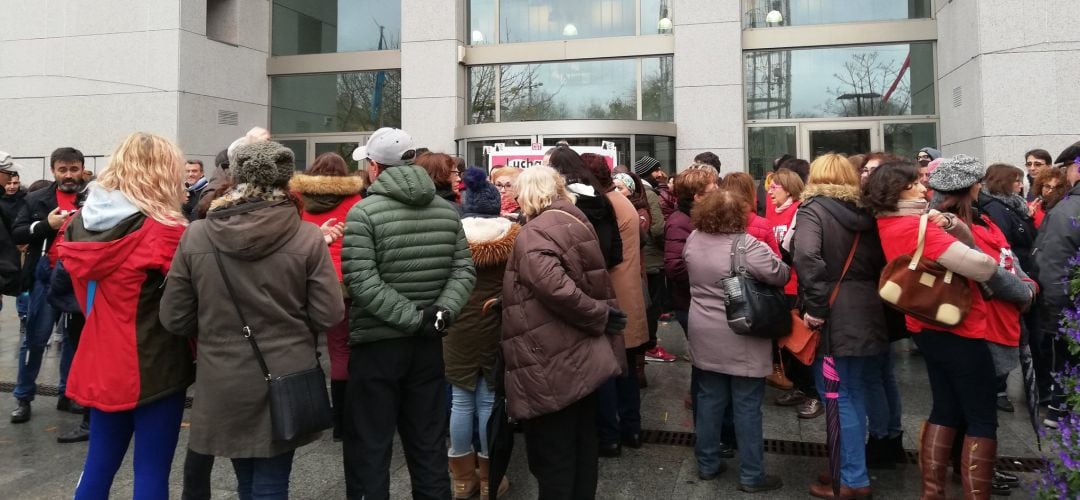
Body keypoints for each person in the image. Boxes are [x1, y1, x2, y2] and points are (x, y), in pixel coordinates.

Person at [160, 140, 344, 499]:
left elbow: (174, 316)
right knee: (273, 481)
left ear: (234, 175)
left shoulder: (196, 235)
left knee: (245, 476)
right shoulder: (307, 236)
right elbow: (329, 312)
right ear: (286, 180)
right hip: (288, 373)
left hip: (221, 376)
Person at [54, 133, 193, 498]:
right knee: (151, 471)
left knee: (98, 464)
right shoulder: (165, 231)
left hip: (99, 357)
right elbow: (190, 302)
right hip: (154, 362)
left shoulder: (78, 223)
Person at [340, 128, 476, 500]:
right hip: (428, 342)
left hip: (378, 345)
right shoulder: (447, 211)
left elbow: (360, 281)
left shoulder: (363, 212)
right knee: (428, 441)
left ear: (373, 167)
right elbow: (464, 271)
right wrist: (439, 313)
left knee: (370, 445)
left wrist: (413, 317)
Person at [867, 155, 1000, 499]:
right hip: (959, 327)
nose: (923, 186)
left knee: (945, 407)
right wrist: (978, 246)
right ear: (899, 189)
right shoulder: (917, 228)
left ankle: (932, 491)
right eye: (915, 182)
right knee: (982, 416)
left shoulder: (888, 222)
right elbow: (982, 267)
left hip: (923, 324)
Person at [501, 165, 626, 500]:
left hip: (549, 356)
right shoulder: (574, 219)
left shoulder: (536, 231)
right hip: (580, 355)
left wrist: (598, 315)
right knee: (582, 445)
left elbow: (554, 287)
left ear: (528, 194)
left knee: (552, 455)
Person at [791, 153, 894, 499]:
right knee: (857, 389)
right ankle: (848, 463)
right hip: (868, 308)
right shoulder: (868, 211)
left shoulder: (813, 210)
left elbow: (806, 256)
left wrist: (816, 307)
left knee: (838, 395)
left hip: (836, 315)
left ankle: (852, 478)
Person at [686, 189, 788, 492]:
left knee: (708, 399)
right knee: (746, 405)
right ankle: (752, 475)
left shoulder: (694, 240)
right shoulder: (747, 246)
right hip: (742, 331)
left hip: (703, 329)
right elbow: (780, 274)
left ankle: (707, 464)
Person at [444, 167, 518, 500]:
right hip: (494, 324)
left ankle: (461, 480)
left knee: (460, 400)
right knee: (489, 399)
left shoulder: (450, 236)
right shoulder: (513, 236)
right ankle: (491, 477)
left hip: (457, 325)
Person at [288, 152, 363, 440]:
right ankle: (342, 423)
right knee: (341, 347)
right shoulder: (355, 201)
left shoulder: (296, 199)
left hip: (303, 279)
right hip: (342, 281)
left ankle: (305, 408)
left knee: (301, 345)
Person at [10, 147, 87, 424]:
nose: (68, 175)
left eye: (73, 169)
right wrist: (46, 224)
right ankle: (23, 396)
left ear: (82, 168)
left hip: (79, 277)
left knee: (73, 341)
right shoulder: (36, 198)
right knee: (36, 338)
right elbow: (18, 232)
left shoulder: (92, 197)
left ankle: (68, 393)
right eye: (63, 170)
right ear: (53, 170)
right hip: (46, 275)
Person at [582, 153, 648, 457]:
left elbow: (602, 255)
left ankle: (609, 436)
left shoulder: (603, 206)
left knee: (609, 369)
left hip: (612, 295)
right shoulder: (623, 202)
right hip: (629, 294)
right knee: (627, 369)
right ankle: (631, 429)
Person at [765, 169, 822, 417]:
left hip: (796, 288)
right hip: (779, 286)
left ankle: (814, 394)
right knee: (786, 344)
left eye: (775, 187)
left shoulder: (801, 211)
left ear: (788, 188)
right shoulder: (772, 210)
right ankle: (800, 386)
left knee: (802, 344)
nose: (769, 191)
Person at [1033, 140, 1080, 428]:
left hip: (1069, 306)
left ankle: (1060, 410)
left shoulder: (1068, 210)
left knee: (1066, 358)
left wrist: (1053, 311)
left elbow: (1052, 260)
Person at [613, 166, 674, 367]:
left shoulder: (640, 206)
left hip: (648, 264)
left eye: (620, 187)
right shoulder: (627, 205)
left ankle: (648, 346)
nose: (616, 192)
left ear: (630, 188)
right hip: (642, 263)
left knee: (649, 308)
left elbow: (656, 228)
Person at [665, 168, 720, 334]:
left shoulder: (702, 217)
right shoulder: (679, 223)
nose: (718, 190)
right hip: (693, 304)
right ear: (698, 197)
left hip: (705, 301)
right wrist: (711, 278)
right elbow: (675, 268)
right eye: (712, 189)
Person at [550, 147, 623, 270]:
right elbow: (616, 253)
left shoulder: (559, 205)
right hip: (601, 274)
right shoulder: (601, 197)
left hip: (572, 278)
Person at [978, 163, 1036, 274]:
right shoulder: (995, 208)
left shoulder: (1011, 203)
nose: (1021, 185)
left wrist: (1027, 216)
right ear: (1003, 182)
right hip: (1018, 269)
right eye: (1017, 181)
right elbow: (1006, 244)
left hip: (1024, 265)